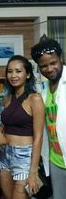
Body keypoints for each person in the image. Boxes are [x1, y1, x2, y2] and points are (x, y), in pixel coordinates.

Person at [0, 55, 45, 199]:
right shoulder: (6, 99)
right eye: (10, 71)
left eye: (18, 71)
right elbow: (2, 128)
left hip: (24, 157)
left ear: (28, 74)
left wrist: (33, 172)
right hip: (4, 154)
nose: (13, 75)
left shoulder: (34, 99)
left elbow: (39, 137)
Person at [31, 35, 66, 199]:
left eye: (53, 63)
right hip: (55, 160)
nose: (49, 69)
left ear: (61, 58)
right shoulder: (43, 93)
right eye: (43, 66)